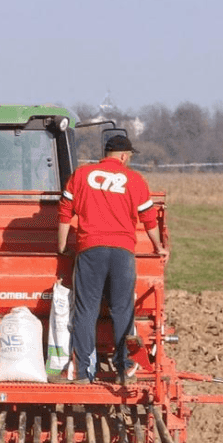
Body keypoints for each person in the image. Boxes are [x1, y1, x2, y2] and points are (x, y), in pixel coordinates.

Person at [56, 134, 167, 384]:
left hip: (90, 250)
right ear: (125, 156)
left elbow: (64, 211)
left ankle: (83, 372)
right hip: (122, 253)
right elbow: (149, 218)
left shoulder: (82, 175)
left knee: (86, 311)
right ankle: (124, 368)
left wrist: (62, 244)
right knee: (122, 311)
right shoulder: (135, 180)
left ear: (105, 153)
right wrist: (159, 246)